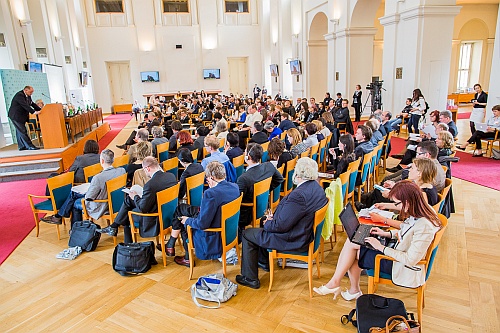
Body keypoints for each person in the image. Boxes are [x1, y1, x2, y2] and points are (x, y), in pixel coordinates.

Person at [314, 180, 441, 300]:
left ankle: (342, 285)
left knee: (354, 247)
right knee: (354, 242)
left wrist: (381, 247)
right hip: (396, 250)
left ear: (407, 203)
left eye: (397, 203)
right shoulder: (424, 210)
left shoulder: (424, 226)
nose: (396, 207)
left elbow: (410, 259)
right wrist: (385, 234)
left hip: (401, 266)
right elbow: (407, 230)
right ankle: (345, 287)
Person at [236, 157, 328, 289]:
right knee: (263, 222)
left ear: (297, 175)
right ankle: (263, 261)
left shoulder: (299, 196)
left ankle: (250, 278)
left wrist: (269, 222)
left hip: (291, 238)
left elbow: (279, 226)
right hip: (302, 232)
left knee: (247, 233)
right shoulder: (317, 187)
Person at [166, 161, 241, 267]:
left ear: (211, 177)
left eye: (207, 178)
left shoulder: (210, 194)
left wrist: (187, 220)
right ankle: (171, 244)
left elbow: (202, 224)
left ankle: (187, 257)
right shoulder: (234, 187)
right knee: (182, 209)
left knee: (183, 221)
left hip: (212, 236)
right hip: (229, 231)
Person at [97, 157, 177, 243]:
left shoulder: (150, 185)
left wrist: (135, 196)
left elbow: (143, 208)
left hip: (155, 218)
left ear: (147, 168)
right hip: (168, 213)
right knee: (128, 200)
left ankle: (128, 245)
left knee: (127, 214)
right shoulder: (171, 176)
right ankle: (114, 227)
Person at [41, 149, 126, 226]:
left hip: (101, 205)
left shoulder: (98, 177)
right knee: (74, 195)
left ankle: (74, 229)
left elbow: (89, 197)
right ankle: (59, 216)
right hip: (116, 202)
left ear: (102, 161)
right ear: (113, 160)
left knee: (75, 204)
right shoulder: (121, 171)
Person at [237, 143, 284, 231]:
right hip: (264, 206)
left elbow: (237, 200)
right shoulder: (269, 166)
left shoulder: (243, 179)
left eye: (245, 152)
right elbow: (279, 179)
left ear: (248, 157)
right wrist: (265, 191)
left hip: (248, 213)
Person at [8, 86, 42, 150]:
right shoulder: (19, 95)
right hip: (16, 116)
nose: (31, 93)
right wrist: (33, 112)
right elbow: (25, 105)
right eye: (30, 92)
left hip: (21, 116)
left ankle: (21, 146)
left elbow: (32, 104)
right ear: (26, 90)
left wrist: (41, 110)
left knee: (19, 131)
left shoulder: (28, 96)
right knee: (23, 131)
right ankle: (30, 146)